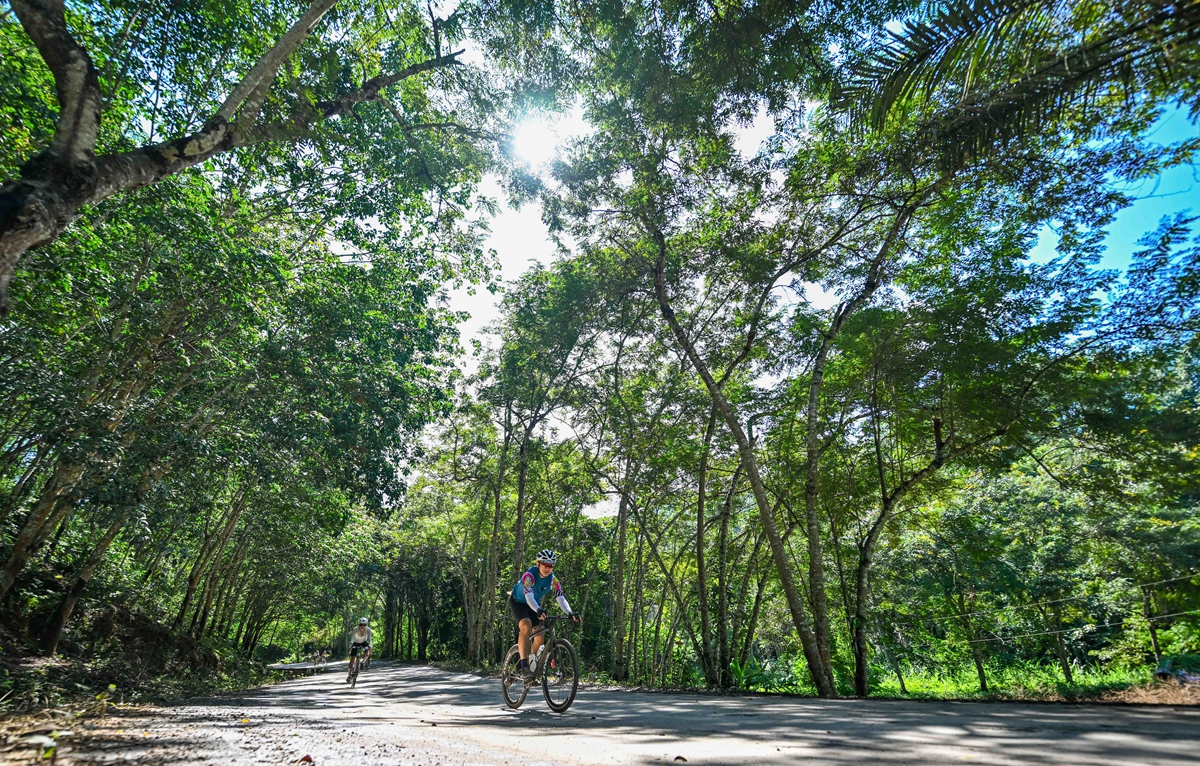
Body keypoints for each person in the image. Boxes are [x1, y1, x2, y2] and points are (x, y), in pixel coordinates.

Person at [509, 549, 581, 677]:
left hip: (533, 604)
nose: (548, 568)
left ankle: (533, 665)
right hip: (519, 601)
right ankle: (524, 665)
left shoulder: (554, 581)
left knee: (540, 632)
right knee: (526, 625)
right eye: (545, 564)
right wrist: (538, 610)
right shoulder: (529, 576)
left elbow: (560, 598)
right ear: (538, 564)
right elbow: (529, 597)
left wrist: (570, 613)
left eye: (551, 565)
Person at [347, 617, 373, 681]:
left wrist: (370, 645)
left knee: (370, 648)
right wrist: (351, 644)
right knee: (352, 658)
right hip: (355, 642)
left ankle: (363, 661)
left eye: (364, 625)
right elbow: (352, 637)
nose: (362, 626)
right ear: (359, 624)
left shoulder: (368, 630)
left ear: (366, 625)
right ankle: (349, 675)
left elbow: (369, 639)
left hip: (364, 642)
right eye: (361, 624)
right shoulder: (355, 629)